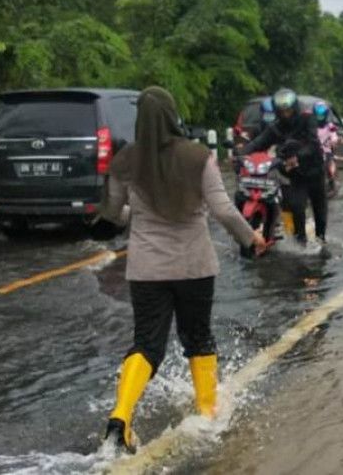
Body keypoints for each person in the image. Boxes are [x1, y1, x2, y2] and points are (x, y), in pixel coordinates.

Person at [99, 86, 267, 453]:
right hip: (194, 266)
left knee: (146, 344)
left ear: (140, 119)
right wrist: (250, 238)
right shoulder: (198, 157)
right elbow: (223, 210)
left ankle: (121, 418)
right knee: (198, 337)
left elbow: (112, 215)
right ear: (173, 116)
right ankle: (208, 413)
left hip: (146, 269)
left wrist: (135, 215)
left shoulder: (125, 161)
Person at [242, 88, 328, 245]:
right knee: (297, 207)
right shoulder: (276, 127)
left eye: (288, 110)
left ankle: (321, 237)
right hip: (294, 173)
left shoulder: (307, 118)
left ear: (294, 107)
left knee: (319, 208)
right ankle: (300, 241)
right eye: (282, 111)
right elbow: (259, 142)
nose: (286, 114)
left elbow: (313, 143)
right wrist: (241, 154)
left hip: (314, 169)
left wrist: (298, 155)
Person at [314, 101, 339, 194]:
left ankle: (332, 182)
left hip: (327, 149)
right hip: (315, 151)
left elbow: (334, 135)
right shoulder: (312, 126)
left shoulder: (330, 126)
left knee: (330, 167)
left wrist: (333, 141)